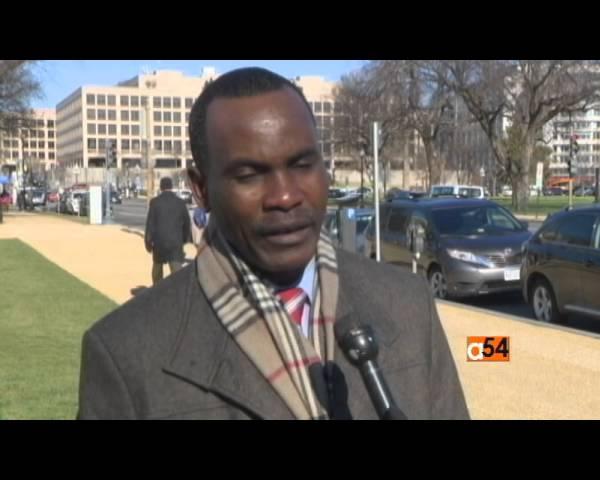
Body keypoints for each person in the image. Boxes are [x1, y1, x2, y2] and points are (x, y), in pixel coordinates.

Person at [77, 67, 468, 420]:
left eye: (302, 165)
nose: (284, 196)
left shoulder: (408, 305)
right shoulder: (126, 353)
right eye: (249, 174)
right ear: (201, 189)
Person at [143, 177, 192, 285]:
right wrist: (184, 239)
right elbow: (187, 223)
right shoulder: (180, 203)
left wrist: (148, 243)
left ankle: (157, 292)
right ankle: (176, 296)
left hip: (160, 243)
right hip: (175, 242)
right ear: (171, 187)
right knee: (177, 273)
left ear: (161, 187)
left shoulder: (155, 202)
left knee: (157, 271)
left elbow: (150, 225)